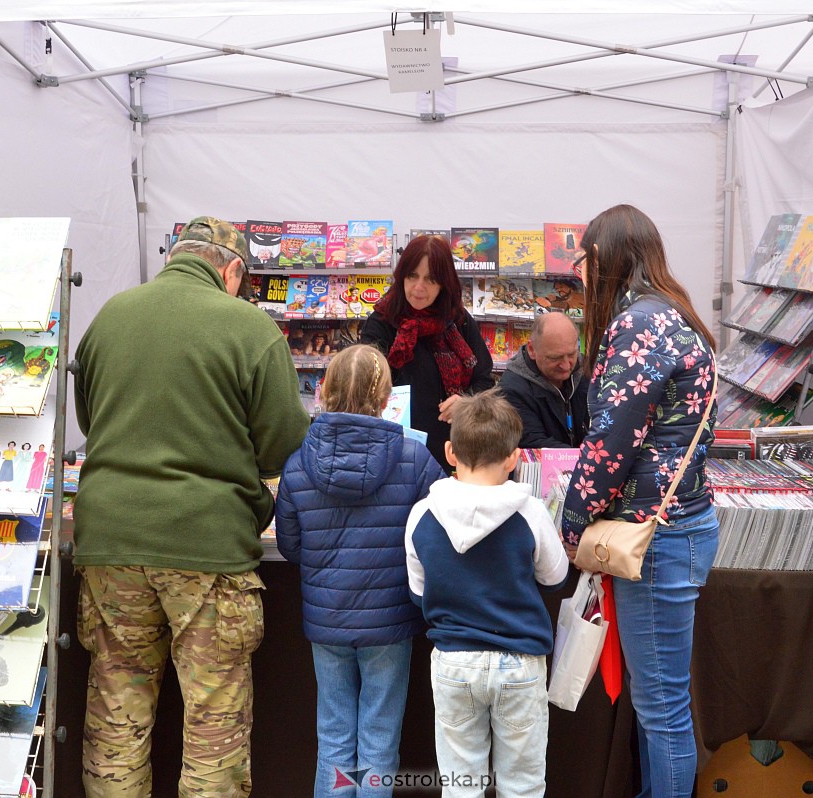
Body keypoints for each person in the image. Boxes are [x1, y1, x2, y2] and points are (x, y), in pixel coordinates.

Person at [73, 216, 309, 798]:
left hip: (110, 542)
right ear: (231, 271)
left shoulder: (110, 317)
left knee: (116, 720)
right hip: (208, 547)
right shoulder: (250, 329)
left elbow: (89, 420)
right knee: (213, 728)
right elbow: (284, 443)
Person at [559, 204, 719, 798]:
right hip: (683, 525)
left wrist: (571, 526)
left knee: (662, 712)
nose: (578, 274)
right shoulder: (678, 315)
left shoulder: (640, 324)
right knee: (666, 705)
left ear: (602, 258)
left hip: (654, 538)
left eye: (582, 260)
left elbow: (608, 445)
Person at [274, 345, 444, 798]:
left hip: (326, 619)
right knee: (379, 740)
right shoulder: (415, 461)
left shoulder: (296, 464)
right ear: (388, 397)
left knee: (332, 737)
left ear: (323, 391)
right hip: (391, 621)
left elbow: (292, 546)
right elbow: (436, 541)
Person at [405, 389, 569, 798]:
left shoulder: (423, 514)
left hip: (454, 661)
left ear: (450, 452)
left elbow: (418, 593)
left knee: (461, 783)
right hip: (519, 662)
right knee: (523, 784)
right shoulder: (529, 513)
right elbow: (555, 578)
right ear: (514, 458)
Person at [361, 234, 495, 473]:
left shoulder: (458, 321)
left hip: (453, 453)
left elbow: (484, 378)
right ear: (402, 275)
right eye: (412, 276)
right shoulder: (381, 323)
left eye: (430, 279)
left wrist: (466, 401)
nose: (419, 288)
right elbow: (367, 390)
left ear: (444, 283)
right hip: (395, 455)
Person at [499, 312, 589, 449]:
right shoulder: (512, 389)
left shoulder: (588, 371)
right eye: (555, 358)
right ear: (531, 350)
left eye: (571, 354)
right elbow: (533, 443)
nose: (566, 365)